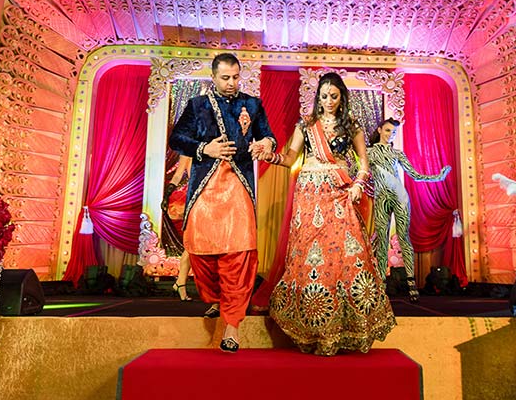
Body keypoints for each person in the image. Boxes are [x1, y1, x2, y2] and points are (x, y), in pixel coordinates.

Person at [261, 72, 396, 355]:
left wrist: (358, 185)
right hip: (309, 195)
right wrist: (270, 156)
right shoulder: (306, 125)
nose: (329, 101)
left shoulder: (352, 126)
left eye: (334, 96)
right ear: (318, 98)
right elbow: (290, 158)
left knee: (346, 255)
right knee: (309, 256)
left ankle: (346, 327)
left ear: (342, 97)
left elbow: (363, 164)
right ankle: (313, 329)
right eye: (324, 96)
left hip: (340, 192)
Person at [168, 52, 276, 352]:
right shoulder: (198, 105)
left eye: (235, 77)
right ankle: (218, 298)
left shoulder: (252, 104)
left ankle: (232, 325)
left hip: (238, 186)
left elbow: (268, 136)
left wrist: (265, 143)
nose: (231, 83)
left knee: (239, 253)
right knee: (201, 253)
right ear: (213, 77)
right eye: (225, 78)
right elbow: (177, 139)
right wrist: (205, 148)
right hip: (205, 189)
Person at [368, 118, 451, 302]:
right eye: (388, 130)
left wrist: (438, 177)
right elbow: (358, 173)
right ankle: (381, 284)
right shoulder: (369, 152)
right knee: (382, 241)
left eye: (394, 132)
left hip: (400, 198)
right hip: (381, 198)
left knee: (404, 238)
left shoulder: (397, 153)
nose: (391, 135)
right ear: (380, 130)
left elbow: (415, 175)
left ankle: (412, 284)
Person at [161, 155, 192, 301]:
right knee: (192, 243)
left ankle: (180, 282)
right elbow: (178, 175)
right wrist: (167, 195)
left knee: (197, 244)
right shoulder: (188, 151)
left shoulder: (216, 148)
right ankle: (181, 282)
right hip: (195, 200)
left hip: (214, 200)